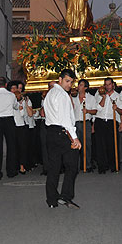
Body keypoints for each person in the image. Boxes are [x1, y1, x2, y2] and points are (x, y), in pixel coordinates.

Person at [44, 69, 82, 209]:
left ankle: (51, 200)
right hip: (62, 133)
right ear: (60, 79)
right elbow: (65, 119)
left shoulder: (50, 93)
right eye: (67, 81)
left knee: (54, 168)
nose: (69, 85)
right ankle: (65, 196)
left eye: (71, 82)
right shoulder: (62, 95)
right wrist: (75, 138)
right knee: (72, 166)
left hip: (50, 132)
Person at [95, 78, 122, 173]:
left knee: (112, 144)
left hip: (111, 121)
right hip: (100, 121)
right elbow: (98, 108)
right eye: (106, 84)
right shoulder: (99, 94)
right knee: (100, 145)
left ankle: (113, 165)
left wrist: (116, 108)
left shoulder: (117, 96)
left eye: (109, 84)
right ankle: (102, 167)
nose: (107, 86)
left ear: (113, 85)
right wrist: (103, 98)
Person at [72, 79, 97, 172]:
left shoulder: (91, 98)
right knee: (75, 145)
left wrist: (88, 111)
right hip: (75, 123)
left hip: (85, 123)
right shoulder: (73, 97)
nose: (79, 86)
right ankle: (76, 166)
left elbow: (95, 111)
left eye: (81, 85)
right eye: (78, 85)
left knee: (87, 145)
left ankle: (87, 165)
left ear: (85, 87)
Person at [8, 81, 32, 174]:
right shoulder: (9, 101)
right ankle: (14, 166)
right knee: (13, 148)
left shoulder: (23, 101)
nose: (16, 90)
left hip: (21, 126)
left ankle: (22, 166)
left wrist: (21, 106)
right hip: (12, 126)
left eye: (17, 89)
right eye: (13, 88)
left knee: (22, 147)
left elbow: (24, 115)